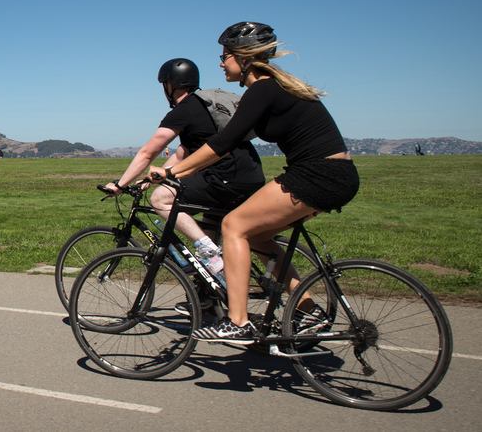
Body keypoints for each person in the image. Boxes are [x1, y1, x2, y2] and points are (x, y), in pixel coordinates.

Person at [151, 22, 360, 343]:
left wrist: (171, 173)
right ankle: (307, 310)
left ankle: (237, 321)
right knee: (259, 236)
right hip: (332, 174)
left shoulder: (262, 89)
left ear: (244, 59)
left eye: (226, 57)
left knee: (233, 226)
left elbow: (222, 144)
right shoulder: (273, 87)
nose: (221, 63)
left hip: (317, 174)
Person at [104, 58, 265, 293]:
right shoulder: (203, 107)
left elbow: (149, 151)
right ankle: (209, 299)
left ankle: (210, 254)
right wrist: (148, 179)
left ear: (171, 84)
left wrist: (120, 184)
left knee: (161, 199)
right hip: (248, 175)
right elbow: (181, 154)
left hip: (225, 178)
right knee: (208, 227)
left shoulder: (184, 110)